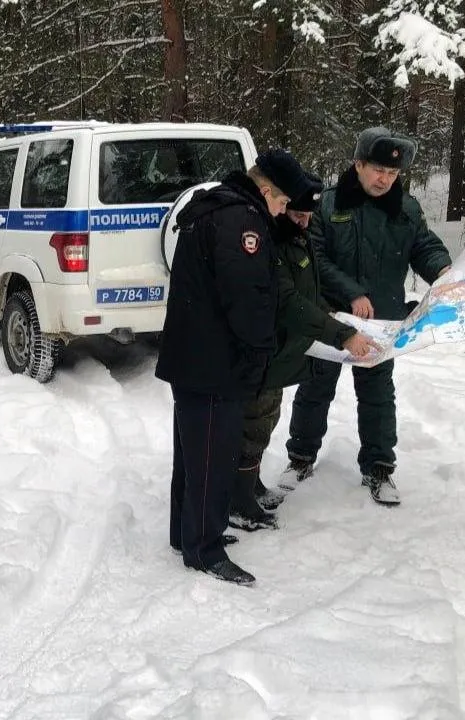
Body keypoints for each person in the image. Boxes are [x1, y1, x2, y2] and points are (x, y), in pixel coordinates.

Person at [156, 148, 316, 586]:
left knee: (192, 457)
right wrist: (261, 351)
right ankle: (204, 551)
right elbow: (247, 300)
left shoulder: (216, 208)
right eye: (282, 202)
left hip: (194, 356)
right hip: (214, 362)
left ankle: (186, 534)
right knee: (212, 458)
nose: (282, 211)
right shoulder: (241, 222)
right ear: (266, 190)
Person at [281, 127, 452, 506]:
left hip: (381, 322)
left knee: (377, 395)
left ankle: (379, 468)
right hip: (331, 317)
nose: (384, 179)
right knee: (314, 389)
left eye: (392, 173)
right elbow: (314, 257)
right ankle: (300, 458)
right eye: (377, 170)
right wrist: (351, 292)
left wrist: (442, 269)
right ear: (357, 164)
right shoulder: (327, 204)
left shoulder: (406, 208)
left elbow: (424, 246)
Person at [228, 175, 384, 529]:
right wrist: (340, 334)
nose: (304, 221)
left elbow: (307, 292)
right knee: (252, 424)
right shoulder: (269, 241)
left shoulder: (296, 236)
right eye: (297, 214)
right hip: (263, 349)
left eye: (309, 216)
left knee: (265, 419)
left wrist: (332, 316)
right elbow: (287, 301)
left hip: (281, 351)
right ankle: (238, 501)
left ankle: (250, 486)